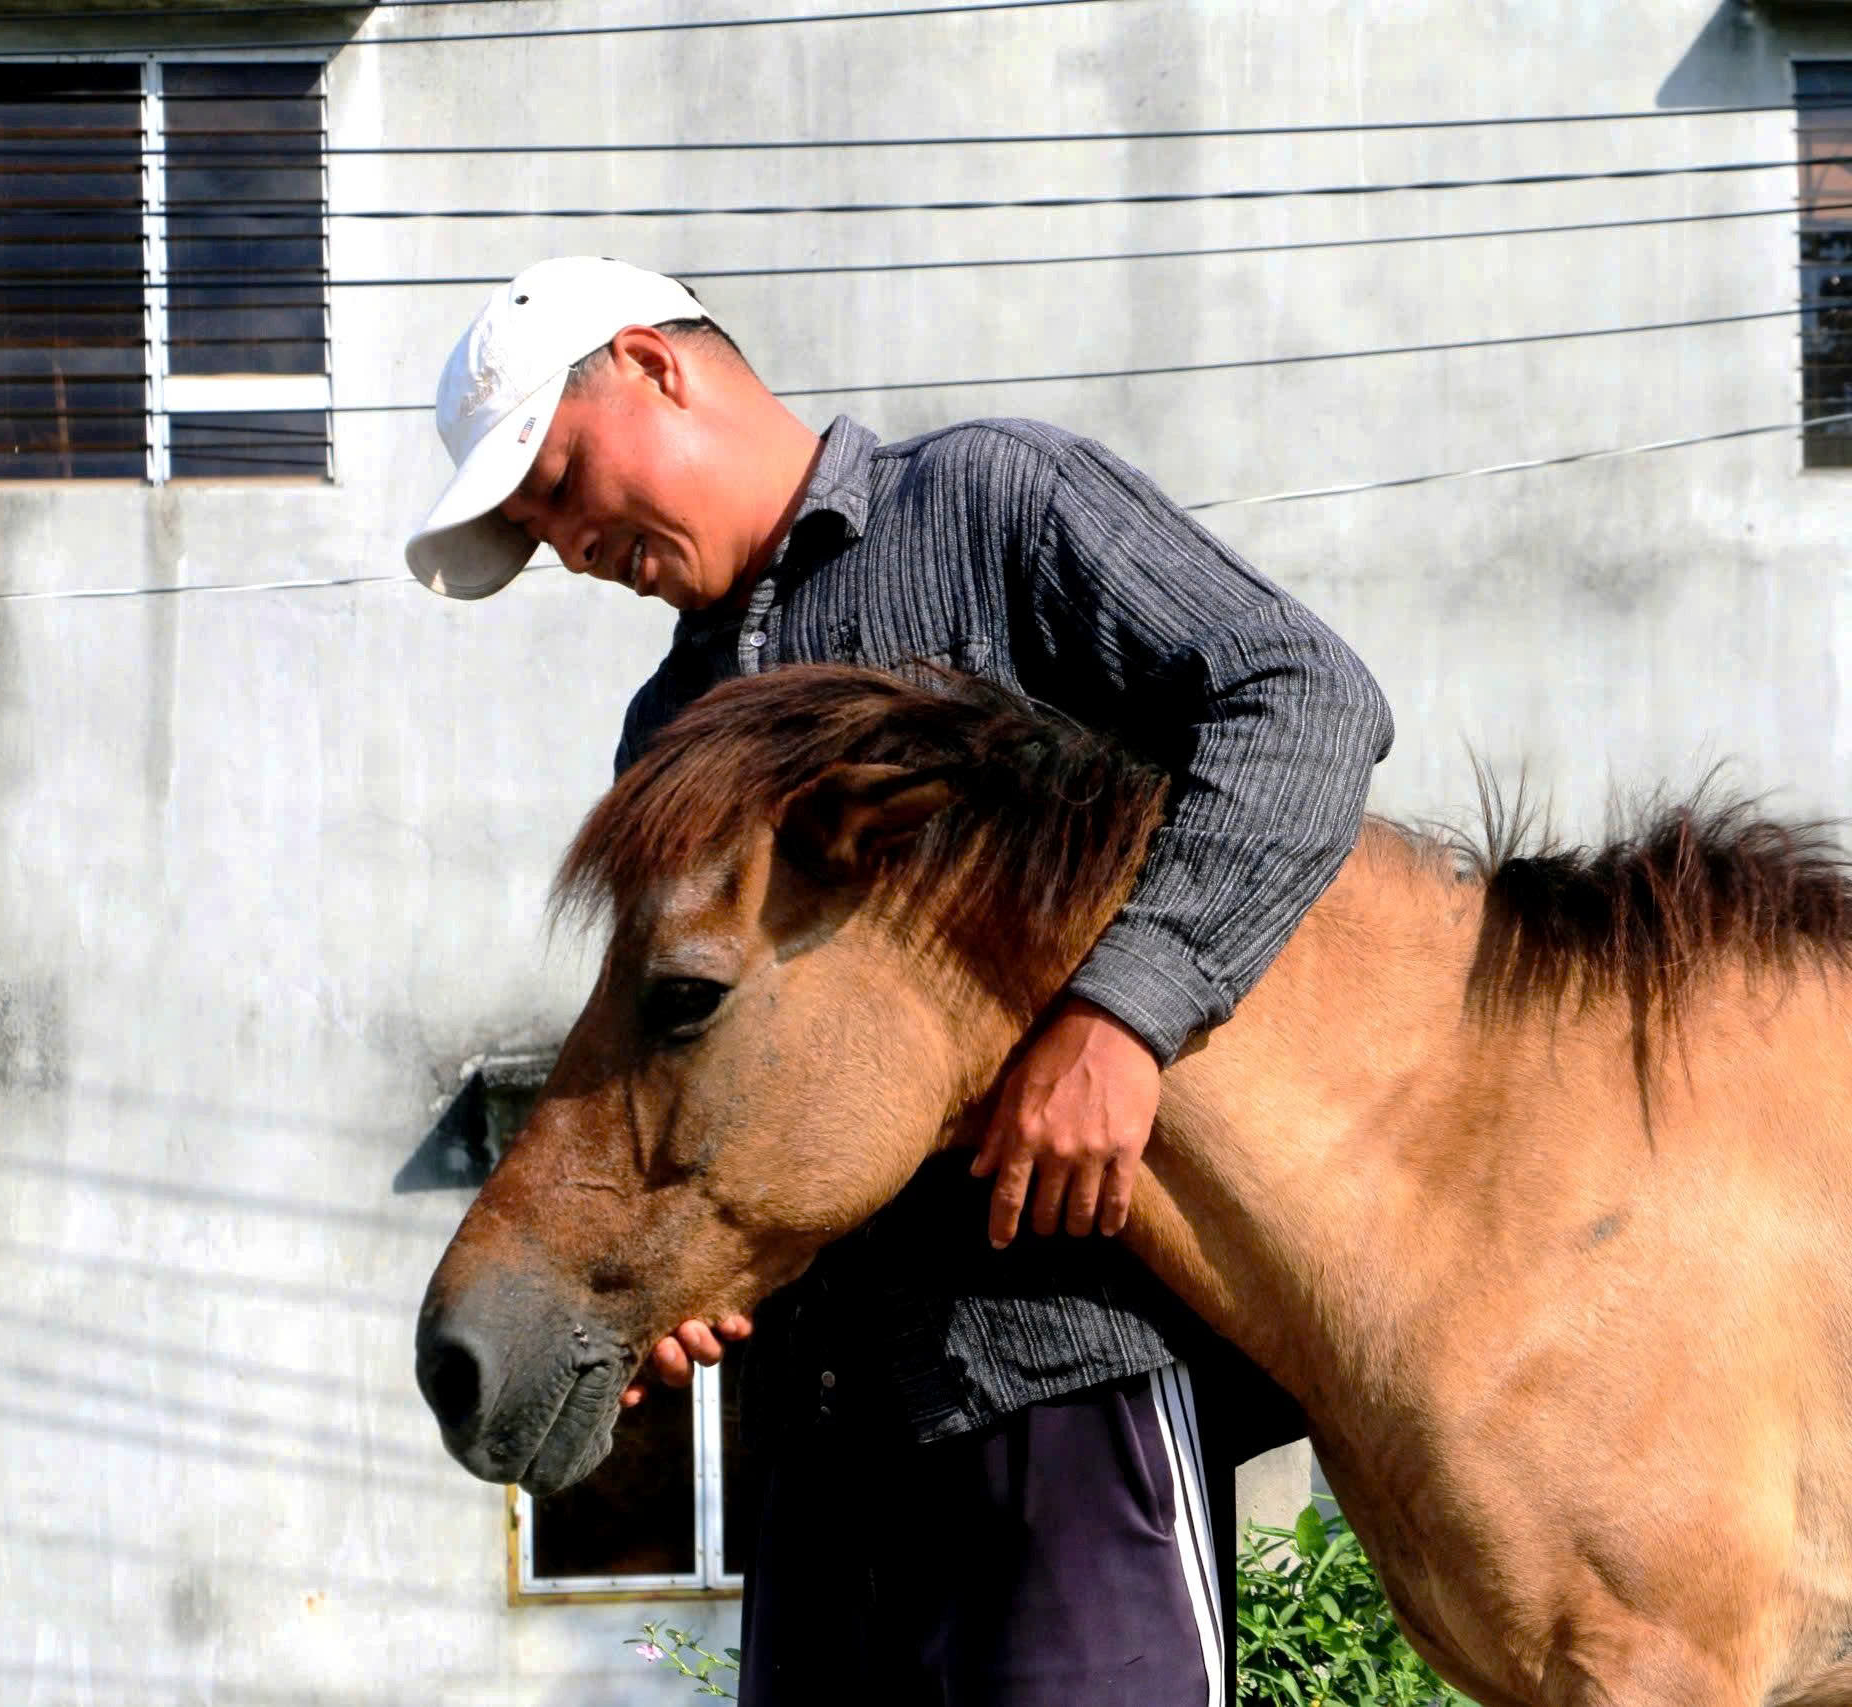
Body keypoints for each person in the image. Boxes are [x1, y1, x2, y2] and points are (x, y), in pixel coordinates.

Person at [407, 256, 1393, 1707]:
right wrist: (681, 1279)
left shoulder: (993, 508)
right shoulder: (669, 727)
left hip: (1064, 1380)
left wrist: (1126, 1014)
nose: (561, 545)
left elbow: (1303, 697)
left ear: (653, 365)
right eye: (533, 527)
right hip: (821, 1440)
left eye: (556, 480)